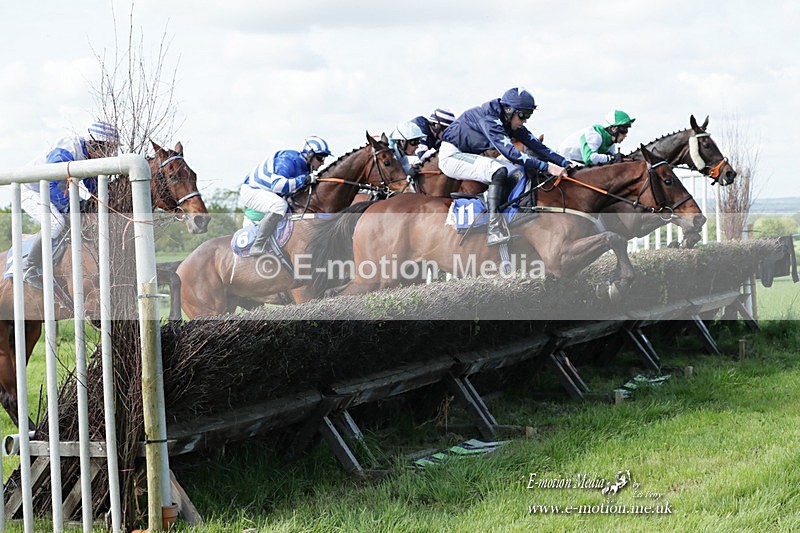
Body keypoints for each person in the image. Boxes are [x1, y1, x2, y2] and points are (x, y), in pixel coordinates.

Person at [439, 87, 575, 246]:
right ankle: (493, 228)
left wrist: (565, 163)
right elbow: (511, 153)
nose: (525, 120)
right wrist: (547, 167)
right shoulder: (490, 119)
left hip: (469, 155)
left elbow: (538, 146)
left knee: (517, 172)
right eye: (523, 115)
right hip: (451, 156)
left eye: (528, 115)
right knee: (498, 170)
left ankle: (511, 218)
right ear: (509, 110)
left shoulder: (507, 119)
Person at [20, 121, 120, 285]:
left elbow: (92, 186)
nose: (110, 153)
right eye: (109, 149)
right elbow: (52, 185)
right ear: (96, 145)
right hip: (32, 191)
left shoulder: (90, 155)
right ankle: (29, 267)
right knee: (56, 223)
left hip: (50, 188)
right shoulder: (66, 152)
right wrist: (71, 205)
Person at [239, 135, 331, 257]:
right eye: (320, 157)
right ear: (309, 154)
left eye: (324, 158)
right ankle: (258, 245)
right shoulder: (288, 160)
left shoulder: (306, 167)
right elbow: (278, 185)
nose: (323, 162)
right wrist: (305, 180)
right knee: (279, 206)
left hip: (268, 192)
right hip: (252, 191)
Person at [558, 110, 635, 166]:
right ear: (613, 129)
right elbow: (589, 158)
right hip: (564, 159)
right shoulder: (594, 135)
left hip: (579, 162)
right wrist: (611, 158)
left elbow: (613, 159)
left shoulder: (610, 143)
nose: (625, 135)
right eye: (624, 130)